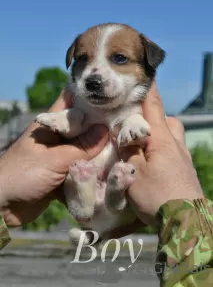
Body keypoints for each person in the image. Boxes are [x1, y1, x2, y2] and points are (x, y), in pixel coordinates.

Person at [0, 82, 212, 286]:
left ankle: (111, 192)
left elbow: (137, 122)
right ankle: (103, 194)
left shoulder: (133, 105)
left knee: (110, 194)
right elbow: (76, 120)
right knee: (84, 187)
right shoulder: (86, 101)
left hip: (112, 200)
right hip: (97, 196)